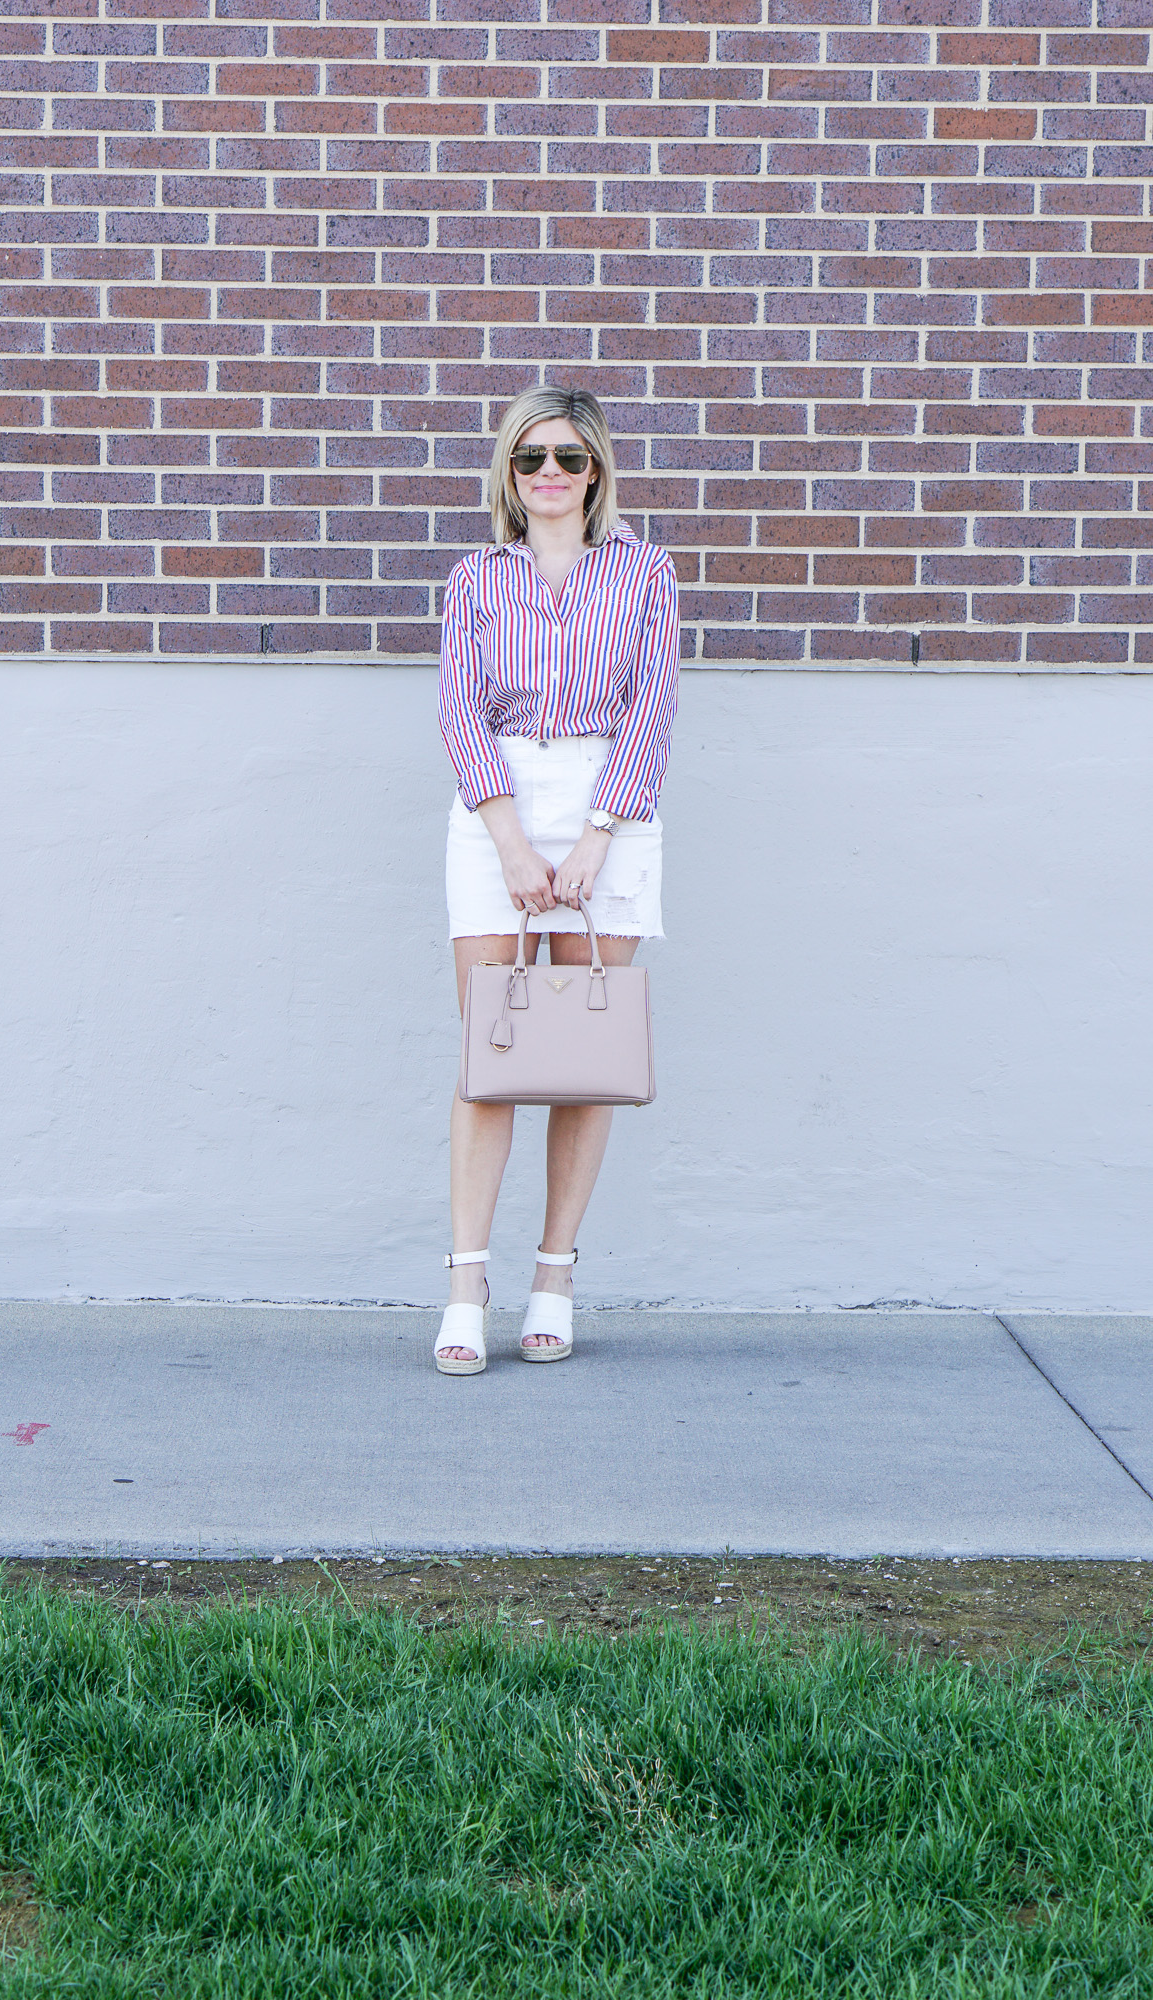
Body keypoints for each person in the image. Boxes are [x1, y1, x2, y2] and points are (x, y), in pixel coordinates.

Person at [434, 386, 680, 1377]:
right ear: (508, 470)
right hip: (497, 799)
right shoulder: (475, 575)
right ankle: (464, 1284)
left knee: (583, 1050)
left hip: (604, 799)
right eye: (531, 456)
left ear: (596, 471)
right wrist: (509, 838)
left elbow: (653, 710)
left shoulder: (646, 571)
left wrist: (593, 837)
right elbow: (456, 707)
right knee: (490, 1053)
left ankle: (554, 1275)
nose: (548, 474)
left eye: (568, 459)